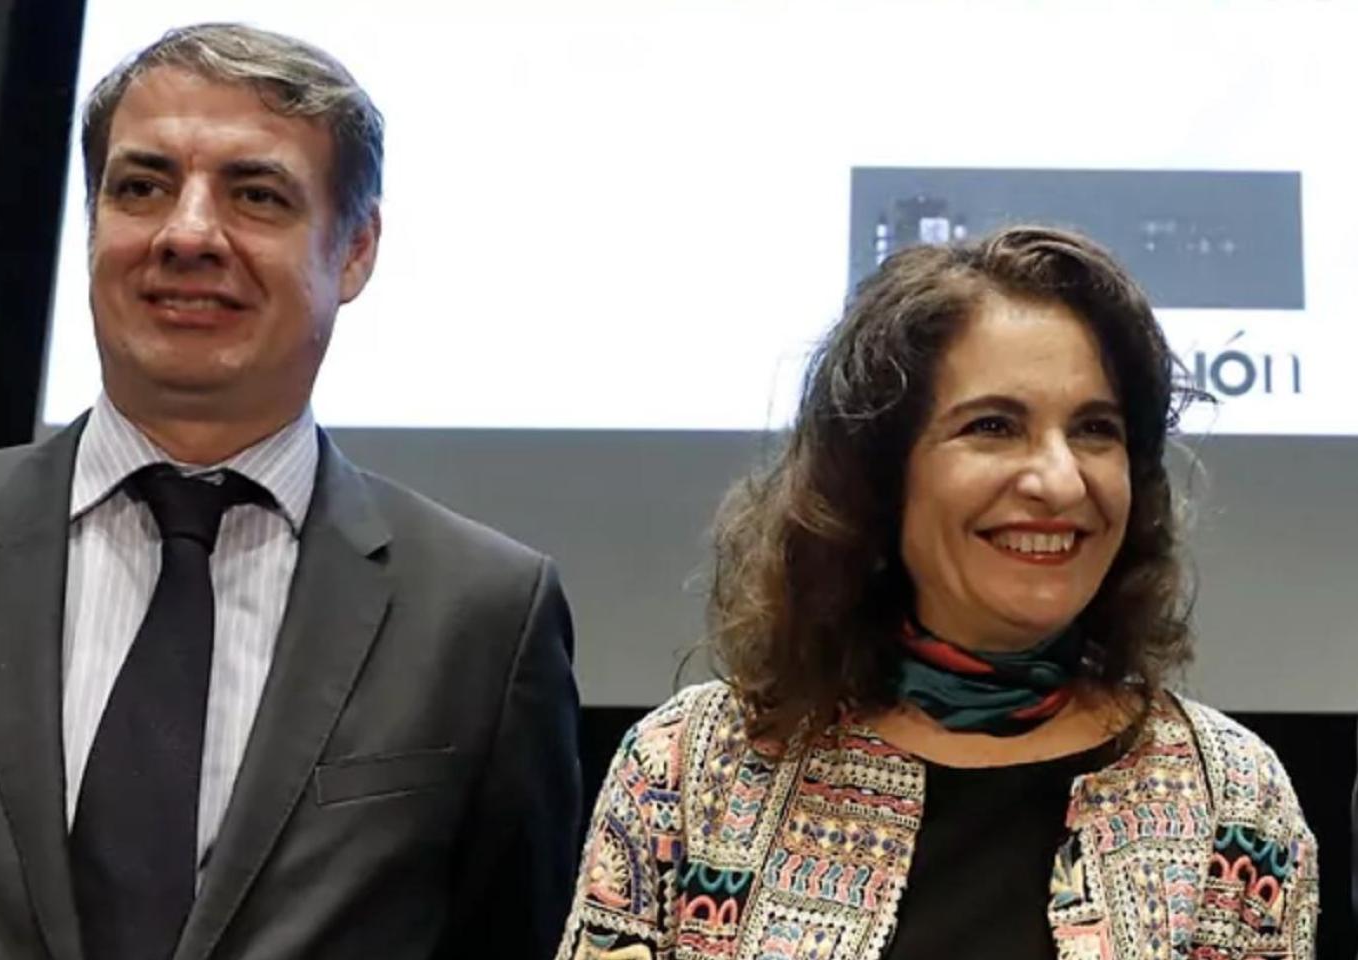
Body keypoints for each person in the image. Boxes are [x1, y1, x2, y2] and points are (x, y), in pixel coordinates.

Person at [0, 23, 580, 960]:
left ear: (354, 249)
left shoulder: (482, 620)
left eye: (257, 195)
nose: (188, 233)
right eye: (142, 186)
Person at [558, 226, 1317, 959]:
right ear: (880, 478)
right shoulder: (689, 773)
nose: (1059, 480)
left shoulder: (1231, 801)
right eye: (993, 426)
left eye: (1094, 429)